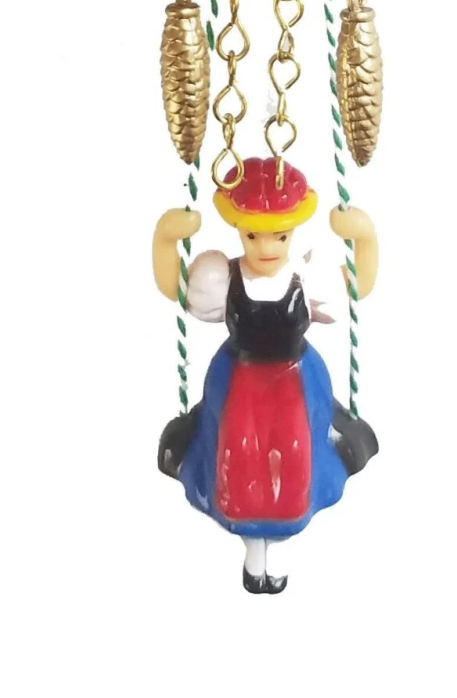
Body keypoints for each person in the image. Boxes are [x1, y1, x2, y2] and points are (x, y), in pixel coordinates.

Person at [151, 156, 379, 592]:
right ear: (239, 231)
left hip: (296, 382)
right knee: (240, 455)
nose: (267, 247)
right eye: (253, 235)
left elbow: (358, 285)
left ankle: (282, 541)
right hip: (239, 381)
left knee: (293, 453)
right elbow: (174, 288)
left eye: (280, 235)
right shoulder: (224, 277)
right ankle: (253, 549)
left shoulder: (306, 277)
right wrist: (166, 238)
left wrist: (363, 237)